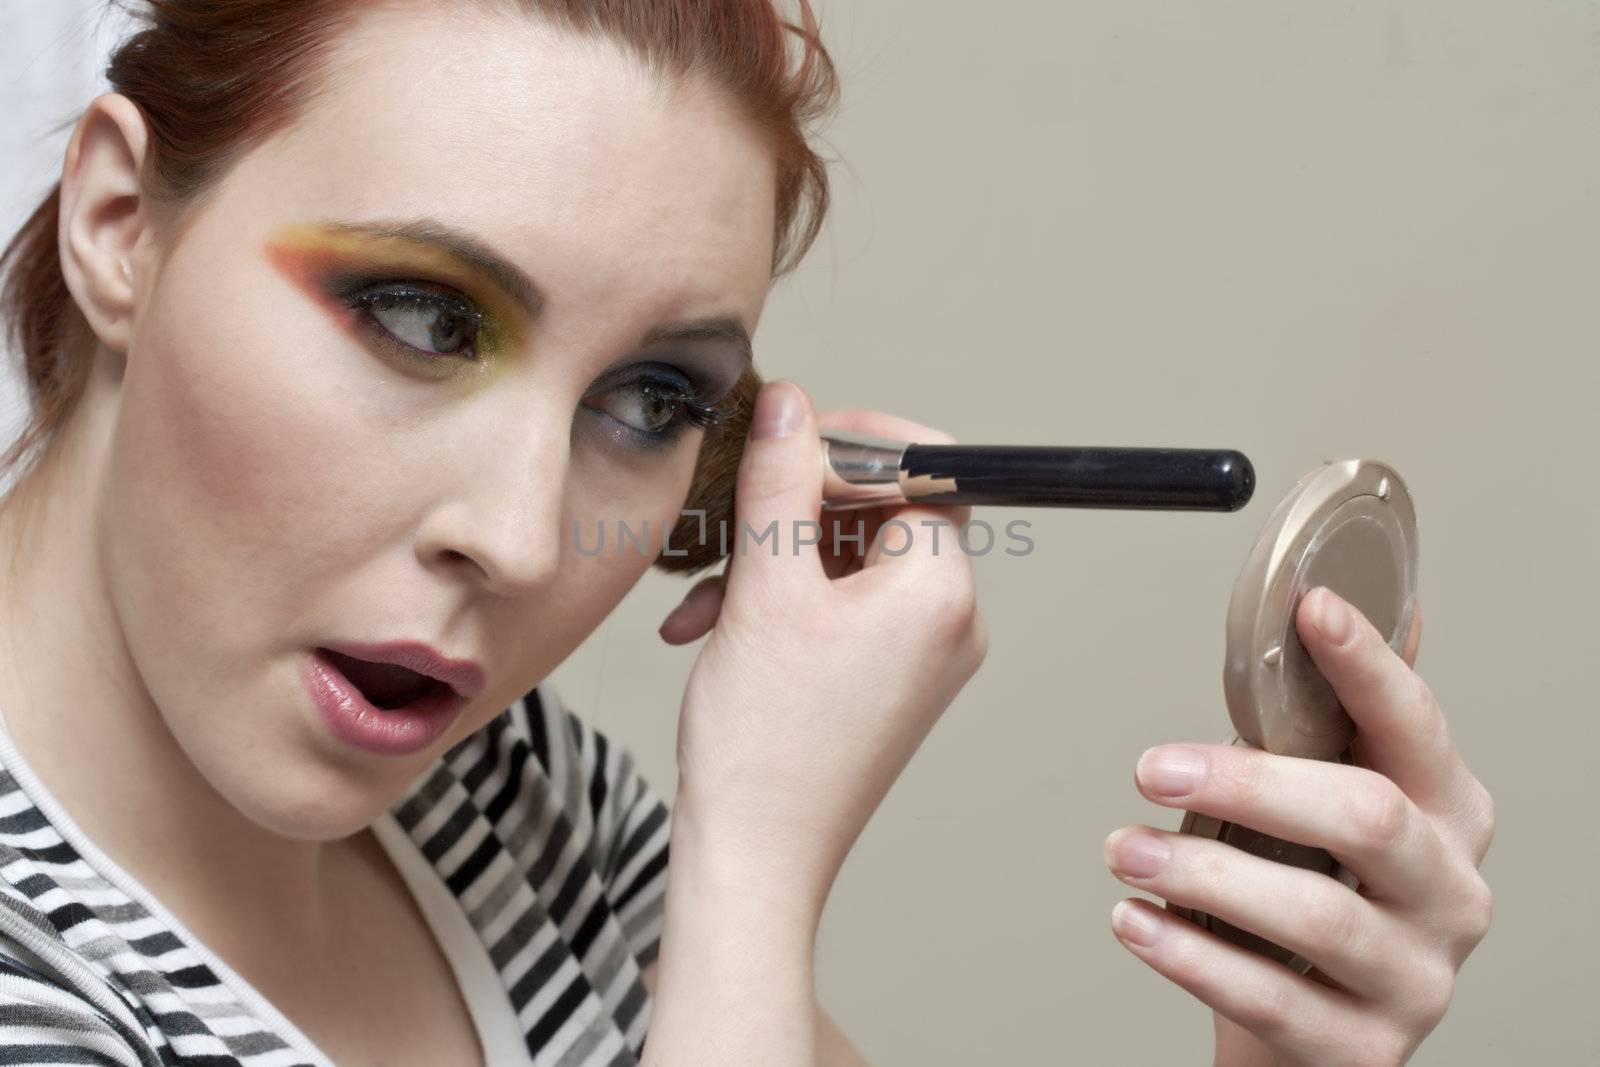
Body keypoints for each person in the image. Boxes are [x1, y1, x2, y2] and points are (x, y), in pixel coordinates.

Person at [0, 2, 1493, 1065]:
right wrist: (757, 862)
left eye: (649, 398)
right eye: (423, 317)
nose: (523, 540)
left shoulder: (501, 800)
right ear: (123, 220)